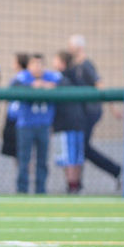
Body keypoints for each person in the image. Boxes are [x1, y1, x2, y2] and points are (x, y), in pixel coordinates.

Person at [67, 34, 122, 189]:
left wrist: (113, 108)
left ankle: (116, 170)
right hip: (80, 113)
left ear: (78, 47)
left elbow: (100, 85)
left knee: (83, 147)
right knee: (81, 147)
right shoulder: (74, 66)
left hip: (90, 112)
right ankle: (76, 183)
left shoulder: (86, 65)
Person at [13, 53, 60, 194]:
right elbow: (15, 85)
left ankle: (41, 189)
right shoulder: (23, 77)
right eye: (34, 64)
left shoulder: (51, 77)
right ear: (28, 66)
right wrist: (33, 86)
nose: (37, 67)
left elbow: (61, 82)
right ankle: (22, 189)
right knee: (24, 159)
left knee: (42, 160)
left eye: (40, 64)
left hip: (44, 125)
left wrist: (44, 85)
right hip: (25, 125)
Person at [52, 51, 85, 194]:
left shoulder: (61, 79)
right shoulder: (76, 76)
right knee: (76, 156)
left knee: (70, 157)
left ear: (62, 63)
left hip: (67, 124)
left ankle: (72, 186)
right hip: (78, 123)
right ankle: (75, 184)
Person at [1, 53, 28, 162]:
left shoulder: (23, 78)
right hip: (12, 120)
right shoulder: (16, 78)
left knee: (22, 154)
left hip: (19, 121)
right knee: (16, 153)